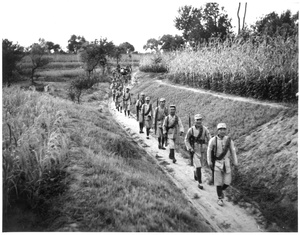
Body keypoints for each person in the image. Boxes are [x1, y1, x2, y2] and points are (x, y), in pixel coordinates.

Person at [207, 123, 238, 206]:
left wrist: (235, 162)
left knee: (227, 181)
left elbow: (233, 151)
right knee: (218, 182)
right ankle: (219, 198)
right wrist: (209, 161)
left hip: (226, 163)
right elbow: (209, 151)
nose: (222, 131)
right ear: (218, 130)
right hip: (217, 163)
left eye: (224, 129)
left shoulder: (229, 140)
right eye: (221, 129)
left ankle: (221, 190)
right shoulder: (213, 140)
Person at [184, 114, 211, 190]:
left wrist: (211, 146)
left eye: (200, 120)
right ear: (194, 121)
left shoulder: (205, 129)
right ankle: (200, 182)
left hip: (202, 150)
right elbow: (186, 139)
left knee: (200, 166)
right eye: (197, 120)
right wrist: (189, 148)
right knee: (198, 166)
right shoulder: (191, 130)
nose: (198, 121)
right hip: (194, 150)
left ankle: (195, 172)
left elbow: (209, 138)